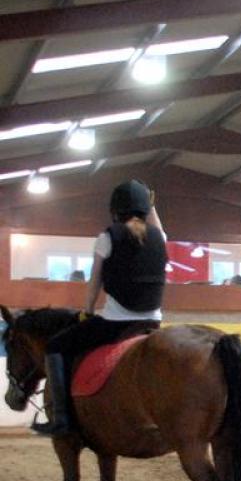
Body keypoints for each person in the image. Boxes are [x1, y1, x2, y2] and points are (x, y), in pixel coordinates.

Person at [32, 180, 167, 437]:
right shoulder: (159, 237)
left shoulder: (107, 237)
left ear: (115, 210)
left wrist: (87, 311)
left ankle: (61, 419)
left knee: (55, 347)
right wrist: (152, 206)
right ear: (144, 208)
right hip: (153, 321)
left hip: (117, 323)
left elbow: (95, 281)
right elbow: (158, 227)